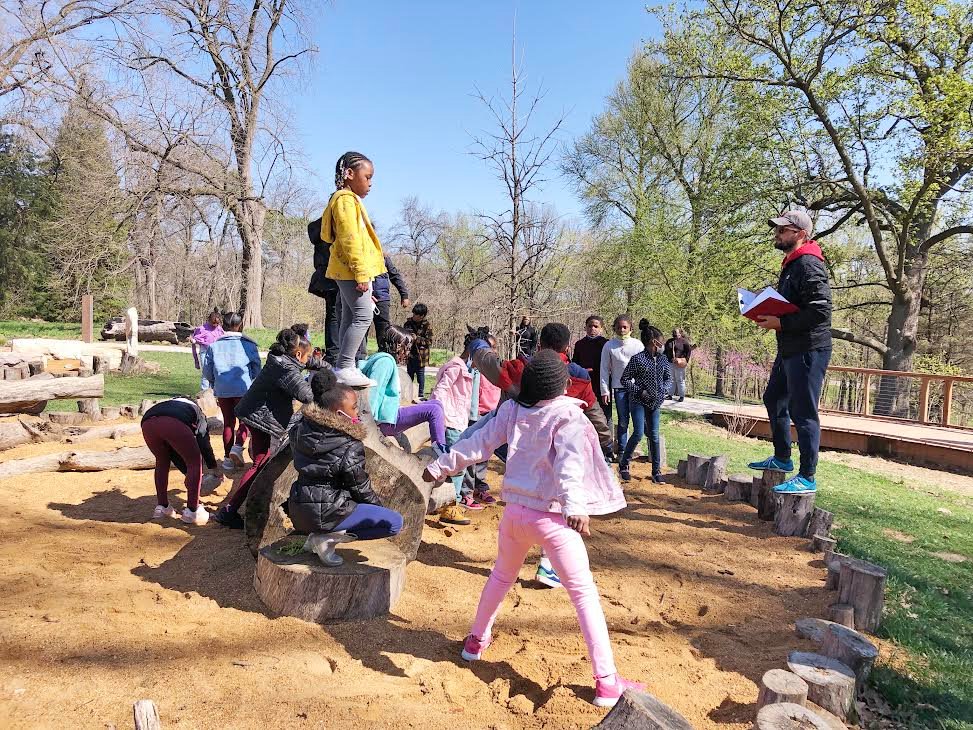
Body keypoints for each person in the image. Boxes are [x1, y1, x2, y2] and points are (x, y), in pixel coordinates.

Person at [421, 351, 644, 708]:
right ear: (564, 384)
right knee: (584, 595)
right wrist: (575, 507)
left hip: (515, 516)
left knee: (500, 577)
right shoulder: (567, 415)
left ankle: (475, 642)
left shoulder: (513, 410)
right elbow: (570, 466)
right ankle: (606, 682)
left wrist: (441, 466)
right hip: (553, 519)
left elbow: (478, 444)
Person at [466, 322, 614, 589]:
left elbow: (491, 366)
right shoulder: (579, 375)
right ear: (568, 347)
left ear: (539, 345)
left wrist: (477, 346)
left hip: (520, 445)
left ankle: (447, 466)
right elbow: (594, 414)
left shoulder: (526, 367)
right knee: (559, 502)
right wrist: (605, 442)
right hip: (560, 452)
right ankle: (548, 565)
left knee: (474, 436)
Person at [749, 209, 833, 496]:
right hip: (789, 348)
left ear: (800, 233)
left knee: (804, 412)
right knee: (773, 397)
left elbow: (820, 311)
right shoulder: (793, 263)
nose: (777, 234)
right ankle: (783, 458)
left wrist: (781, 322)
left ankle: (807, 476)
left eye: (783, 230)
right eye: (777, 229)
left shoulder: (809, 263)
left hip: (809, 349)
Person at [286, 369, 403, 566]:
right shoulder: (349, 444)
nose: (358, 412)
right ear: (339, 413)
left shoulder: (300, 429)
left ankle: (316, 535)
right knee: (394, 523)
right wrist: (378, 513)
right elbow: (361, 489)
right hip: (328, 511)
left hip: (298, 507)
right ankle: (326, 538)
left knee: (343, 505)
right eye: (355, 408)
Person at [213, 327, 314, 528]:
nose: (308, 361)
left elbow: (308, 362)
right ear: (298, 354)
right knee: (260, 463)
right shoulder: (287, 369)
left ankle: (236, 506)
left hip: (255, 413)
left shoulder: (280, 358)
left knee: (263, 460)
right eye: (307, 356)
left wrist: (323, 365)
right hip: (259, 418)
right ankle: (229, 510)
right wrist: (325, 385)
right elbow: (307, 395)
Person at [320, 151, 386, 387]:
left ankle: (345, 365)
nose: (370, 183)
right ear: (349, 174)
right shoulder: (345, 201)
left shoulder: (347, 201)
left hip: (350, 271)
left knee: (350, 315)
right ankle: (346, 366)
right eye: (367, 177)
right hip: (352, 271)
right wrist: (361, 273)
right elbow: (350, 239)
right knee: (363, 315)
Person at [360, 325, 448, 453]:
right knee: (434, 410)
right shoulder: (385, 362)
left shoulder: (380, 358)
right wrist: (369, 426)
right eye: (406, 348)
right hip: (384, 422)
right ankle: (441, 451)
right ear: (396, 346)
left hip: (387, 415)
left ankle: (440, 447)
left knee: (437, 403)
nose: (407, 352)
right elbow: (373, 393)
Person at [141, 397, 222, 525]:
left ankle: (162, 508)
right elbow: (203, 441)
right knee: (195, 462)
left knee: (162, 461)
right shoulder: (198, 412)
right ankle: (192, 510)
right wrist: (214, 467)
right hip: (173, 422)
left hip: (147, 423)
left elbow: (173, 451)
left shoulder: (169, 404)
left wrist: (186, 473)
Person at [429, 330, 484, 514]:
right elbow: (440, 392)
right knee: (456, 466)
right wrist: (440, 419)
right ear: (472, 352)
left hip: (459, 422)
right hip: (450, 423)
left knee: (457, 464)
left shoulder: (467, 369)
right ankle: (453, 505)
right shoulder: (455, 368)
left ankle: (451, 502)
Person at [201, 311, 261, 469]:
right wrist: (251, 378)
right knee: (246, 420)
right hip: (244, 388)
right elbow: (256, 368)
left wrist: (215, 383)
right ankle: (238, 446)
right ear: (240, 325)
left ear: (223, 325)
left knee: (228, 423)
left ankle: (227, 459)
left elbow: (207, 370)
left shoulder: (214, 345)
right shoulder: (249, 345)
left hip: (223, 389)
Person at [619, 323, 671, 483]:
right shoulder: (638, 359)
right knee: (638, 433)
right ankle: (624, 465)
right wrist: (640, 392)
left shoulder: (663, 359)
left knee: (654, 435)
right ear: (654, 342)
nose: (663, 344)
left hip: (655, 403)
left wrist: (664, 391)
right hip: (638, 402)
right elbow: (625, 379)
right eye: (660, 341)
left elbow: (668, 378)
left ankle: (656, 471)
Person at [599, 314, 644, 462]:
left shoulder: (638, 345)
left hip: (636, 388)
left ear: (631, 327)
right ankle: (622, 451)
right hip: (619, 388)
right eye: (619, 327)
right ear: (614, 328)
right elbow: (604, 369)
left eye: (625, 327)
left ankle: (631, 450)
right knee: (623, 420)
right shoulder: (609, 346)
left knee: (639, 422)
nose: (622, 330)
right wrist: (605, 390)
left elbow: (645, 367)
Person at [572, 315, 611, 457]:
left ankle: (607, 448)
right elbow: (574, 364)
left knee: (605, 416)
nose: (592, 329)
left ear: (601, 328)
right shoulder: (579, 344)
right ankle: (586, 447)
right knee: (585, 416)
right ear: (585, 327)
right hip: (584, 385)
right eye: (590, 326)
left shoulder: (606, 344)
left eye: (596, 326)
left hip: (602, 384)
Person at [307, 217, 340, 366]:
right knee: (335, 314)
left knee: (332, 314)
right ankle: (334, 353)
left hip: (324, 276)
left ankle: (334, 351)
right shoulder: (335, 224)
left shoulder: (317, 226)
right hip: (335, 275)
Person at [371, 255, 411, 353]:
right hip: (363, 297)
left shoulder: (383, 258)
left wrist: (404, 294)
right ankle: (359, 358)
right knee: (362, 329)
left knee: (384, 331)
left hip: (382, 299)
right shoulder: (360, 253)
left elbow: (395, 276)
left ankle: (385, 355)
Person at [403, 303, 432, 400]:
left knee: (420, 377)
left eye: (416, 314)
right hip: (409, 355)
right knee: (408, 376)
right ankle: (407, 394)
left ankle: (420, 396)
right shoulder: (408, 323)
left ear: (422, 316)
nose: (413, 316)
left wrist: (417, 339)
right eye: (413, 313)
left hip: (421, 357)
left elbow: (429, 341)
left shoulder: (427, 326)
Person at [663, 328, 692, 402]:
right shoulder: (669, 341)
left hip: (680, 363)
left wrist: (685, 361)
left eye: (676, 333)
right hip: (670, 362)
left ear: (680, 333)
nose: (675, 334)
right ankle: (670, 395)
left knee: (680, 380)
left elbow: (688, 351)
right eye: (674, 333)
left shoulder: (684, 342)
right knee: (671, 379)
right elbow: (665, 351)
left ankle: (681, 396)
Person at [192, 309, 224, 373]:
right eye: (213, 323)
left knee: (216, 372)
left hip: (216, 353)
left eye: (217, 323)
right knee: (206, 373)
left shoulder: (219, 329)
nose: (215, 325)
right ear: (209, 320)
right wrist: (194, 341)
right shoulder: (202, 329)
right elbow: (196, 339)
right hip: (205, 352)